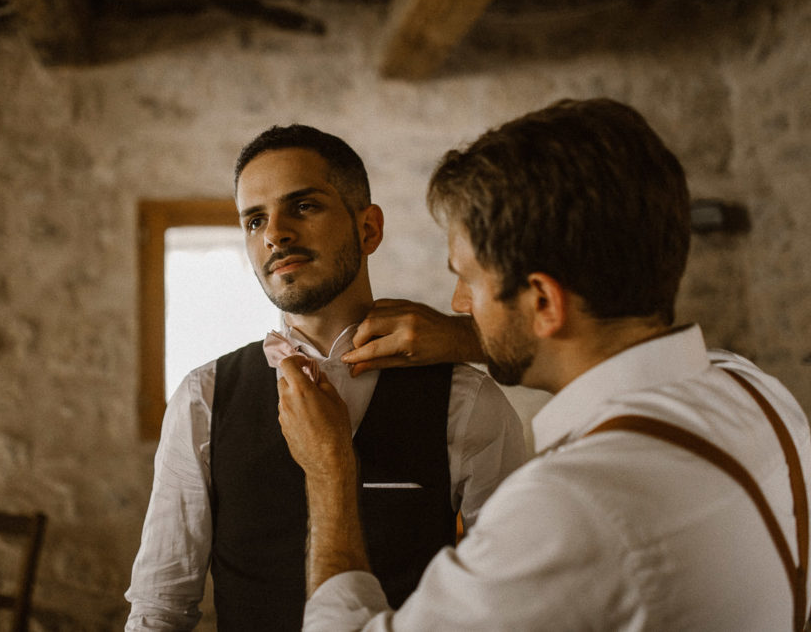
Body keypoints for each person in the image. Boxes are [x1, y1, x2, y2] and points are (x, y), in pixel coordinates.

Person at [277, 99, 811, 631]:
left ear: (542, 303)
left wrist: (330, 475)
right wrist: (474, 338)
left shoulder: (565, 510)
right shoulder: (754, 389)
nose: (460, 305)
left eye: (468, 280)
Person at [124, 124, 526, 631]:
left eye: (303, 206)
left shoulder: (465, 401)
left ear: (369, 229)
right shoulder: (203, 399)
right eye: (254, 220)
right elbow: (160, 607)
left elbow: (512, 604)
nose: (275, 233)